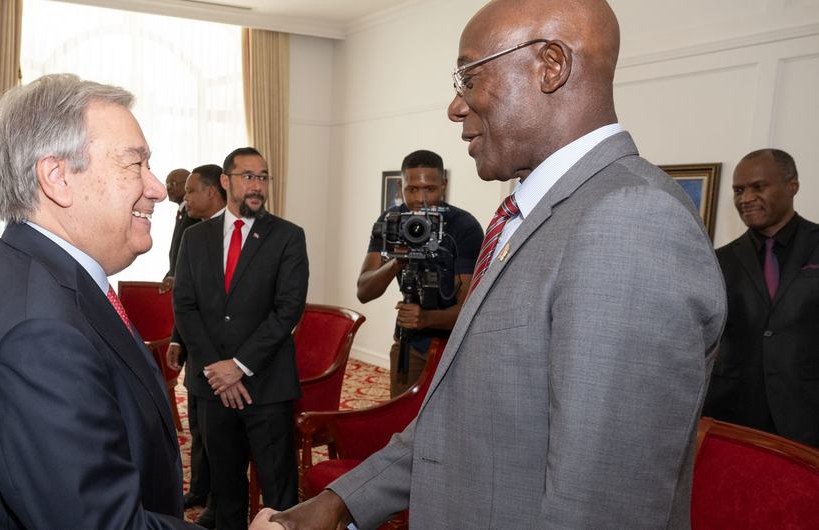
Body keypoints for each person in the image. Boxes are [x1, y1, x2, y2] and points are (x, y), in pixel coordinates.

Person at [261, 1, 726, 528]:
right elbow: (460, 422)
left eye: (469, 78)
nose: (455, 108)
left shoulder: (628, 222)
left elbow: (600, 506)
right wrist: (337, 503)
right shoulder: (537, 217)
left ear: (551, 65)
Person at [0, 73, 199, 529]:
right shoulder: (39, 330)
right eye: (134, 164)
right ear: (57, 178)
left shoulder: (30, 269)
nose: (157, 188)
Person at [174, 147, 310, 530]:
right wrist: (218, 371)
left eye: (263, 177)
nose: (257, 185)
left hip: (266, 386)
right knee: (225, 491)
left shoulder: (288, 237)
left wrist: (238, 366)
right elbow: (185, 307)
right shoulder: (195, 238)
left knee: (279, 495)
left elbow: (287, 310)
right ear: (226, 180)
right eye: (248, 176)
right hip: (213, 389)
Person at [704, 148, 818, 447]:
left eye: (758, 187)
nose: (746, 199)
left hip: (807, 417)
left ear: (792, 185)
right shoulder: (718, 260)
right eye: (738, 190)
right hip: (734, 419)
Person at [356, 150, 482, 397]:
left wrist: (425, 319)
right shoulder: (391, 222)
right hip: (410, 343)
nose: (421, 199)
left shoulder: (464, 226)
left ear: (443, 185)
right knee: (403, 421)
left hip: (454, 345)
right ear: (401, 187)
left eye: (430, 189)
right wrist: (396, 262)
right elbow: (363, 291)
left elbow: (469, 309)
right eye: (411, 189)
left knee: (449, 421)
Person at [166, 163, 228, 528]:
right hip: (197, 349)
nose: (185, 197)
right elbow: (186, 294)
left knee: (221, 434)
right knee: (200, 428)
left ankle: (219, 503)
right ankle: (201, 489)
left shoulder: (237, 232)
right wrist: (178, 338)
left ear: (212, 192)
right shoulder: (194, 231)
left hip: (226, 355)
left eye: (191, 191)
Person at [163, 167, 197, 292]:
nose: (168, 188)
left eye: (173, 183)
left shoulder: (195, 216)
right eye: (167, 184)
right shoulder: (182, 213)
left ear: (187, 185)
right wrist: (170, 275)